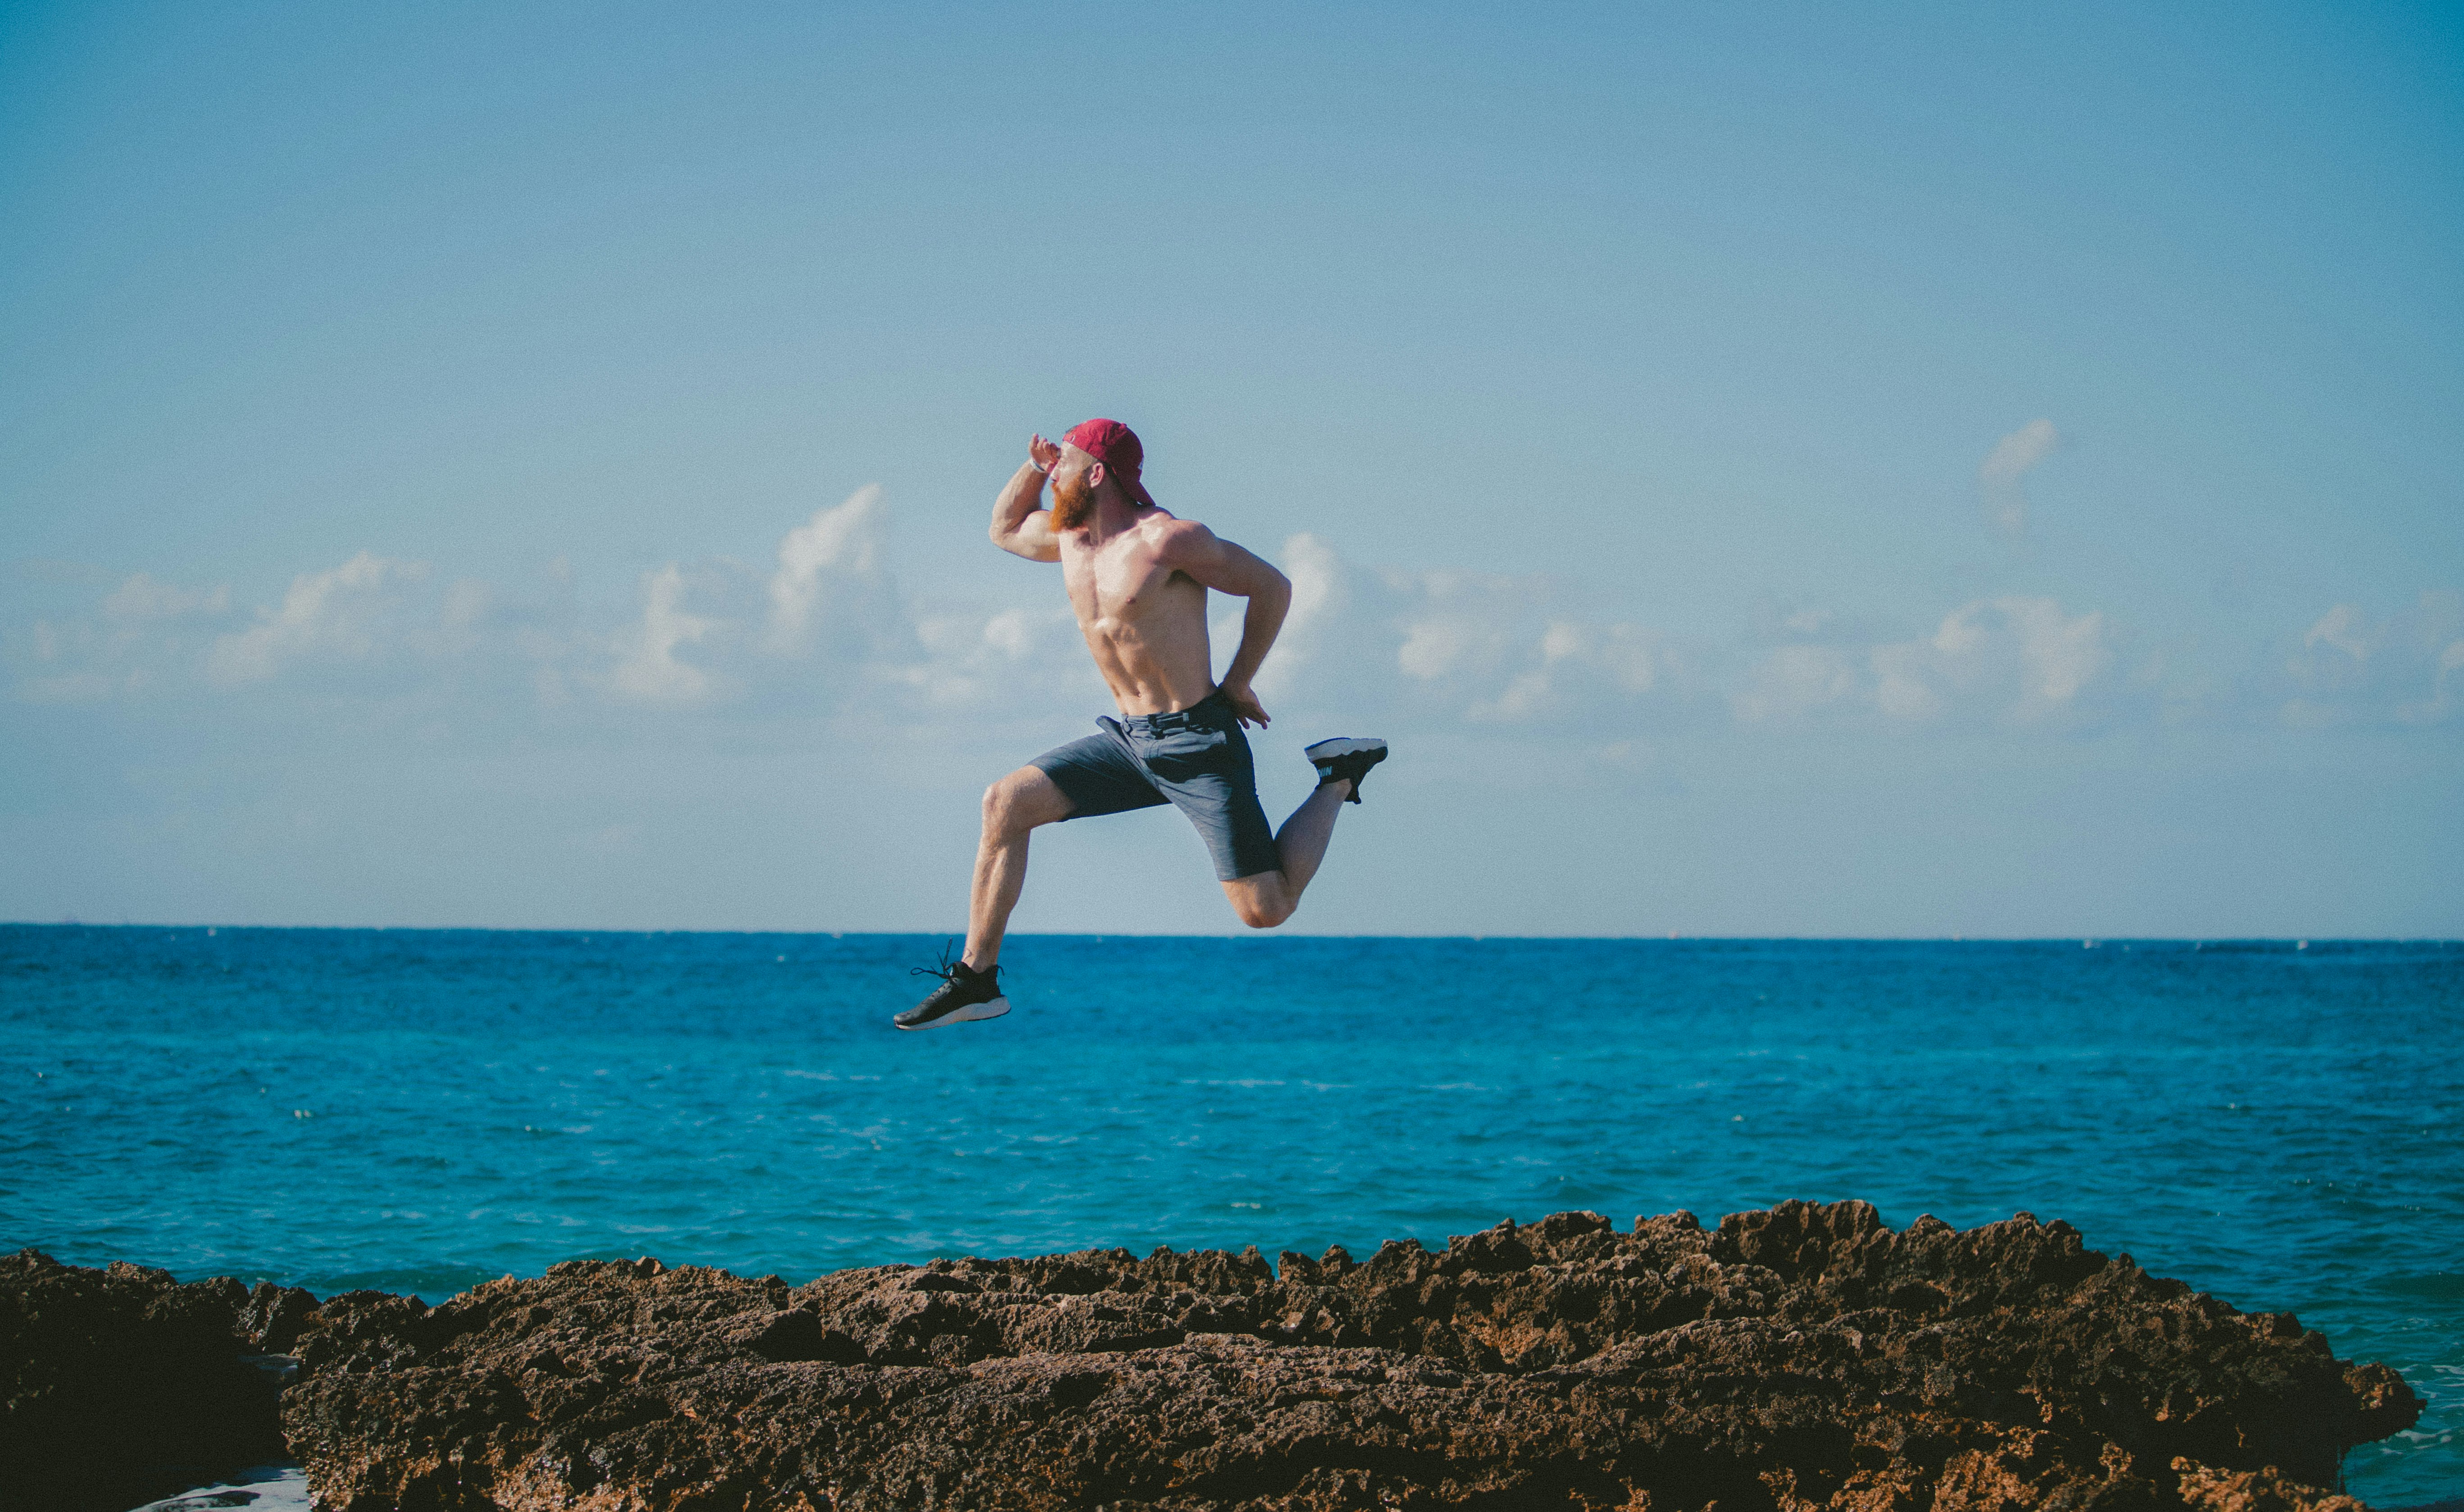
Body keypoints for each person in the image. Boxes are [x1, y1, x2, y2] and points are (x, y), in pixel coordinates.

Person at [897, 419, 1387, 1030]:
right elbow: (1001, 529)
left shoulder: (1168, 540)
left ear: (1098, 474)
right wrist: (1035, 466)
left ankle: (1339, 776)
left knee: (1266, 909)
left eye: (1065, 468)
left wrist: (1237, 681)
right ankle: (976, 980)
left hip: (1200, 741)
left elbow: (1272, 587)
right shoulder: (1072, 540)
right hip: (1130, 742)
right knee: (1005, 802)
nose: (1056, 480)